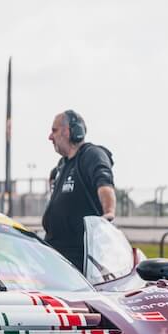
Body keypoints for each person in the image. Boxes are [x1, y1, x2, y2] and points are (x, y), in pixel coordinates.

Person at [41, 109, 116, 271]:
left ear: (69, 131)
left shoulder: (91, 155)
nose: (50, 137)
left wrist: (108, 212)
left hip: (79, 262)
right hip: (54, 258)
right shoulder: (60, 168)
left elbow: (104, 184)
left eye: (54, 130)